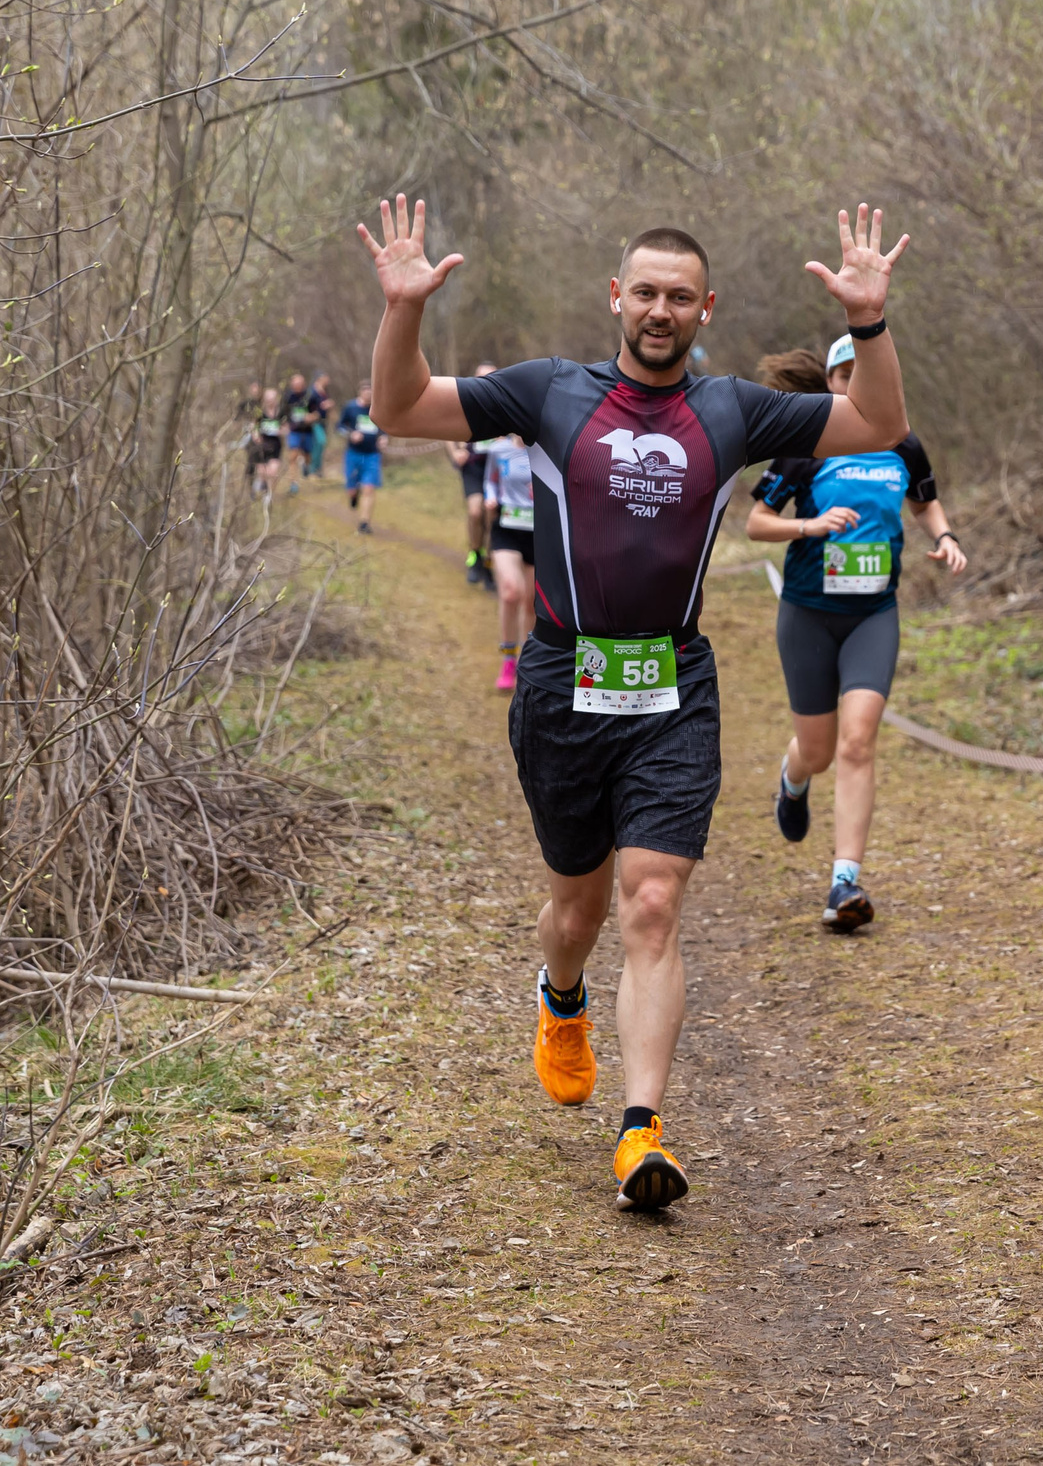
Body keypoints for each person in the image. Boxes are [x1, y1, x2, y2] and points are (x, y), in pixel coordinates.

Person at [358, 194, 914, 1211]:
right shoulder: (545, 395)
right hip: (563, 682)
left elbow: (878, 422)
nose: (660, 310)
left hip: (674, 685)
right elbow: (397, 411)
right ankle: (559, 996)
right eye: (645, 293)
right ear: (616, 298)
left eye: (681, 298)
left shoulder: (734, 412)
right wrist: (403, 309)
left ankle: (642, 1132)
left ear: (708, 310)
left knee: (651, 901)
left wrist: (869, 323)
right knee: (574, 908)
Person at [748, 337, 967, 932]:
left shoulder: (905, 444)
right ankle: (793, 783)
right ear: (830, 382)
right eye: (845, 376)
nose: (856, 385)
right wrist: (810, 525)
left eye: (865, 375)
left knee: (859, 741)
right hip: (808, 614)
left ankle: (844, 880)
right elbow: (755, 522)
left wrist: (943, 537)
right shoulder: (806, 445)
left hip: (874, 614)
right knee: (817, 751)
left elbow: (926, 502)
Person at [483, 434, 536, 690]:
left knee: (532, 603)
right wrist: (490, 498)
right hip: (507, 528)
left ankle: (527, 662)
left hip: (541, 534)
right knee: (511, 592)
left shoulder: (549, 449)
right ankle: (508, 659)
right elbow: (490, 482)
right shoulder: (499, 450)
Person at [446, 363, 500, 585]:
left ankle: (489, 563)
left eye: (490, 377)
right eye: (481, 377)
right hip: (474, 468)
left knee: (492, 518)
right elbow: (447, 432)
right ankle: (474, 556)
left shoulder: (505, 404)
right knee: (476, 513)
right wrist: (456, 452)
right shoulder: (465, 403)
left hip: (497, 470)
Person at [339, 379, 384, 532]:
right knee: (352, 488)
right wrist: (351, 434)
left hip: (372, 455)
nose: (369, 395)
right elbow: (339, 426)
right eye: (366, 392)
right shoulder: (351, 407)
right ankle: (353, 495)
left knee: (369, 488)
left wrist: (383, 437)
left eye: (371, 393)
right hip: (354, 453)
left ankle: (364, 523)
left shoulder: (378, 409)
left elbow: (385, 426)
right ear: (360, 393)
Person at [245, 382, 284, 498]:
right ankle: (261, 486)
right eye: (268, 399)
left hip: (275, 444)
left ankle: (268, 494)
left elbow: (287, 426)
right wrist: (256, 435)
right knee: (262, 472)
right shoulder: (260, 412)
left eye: (272, 398)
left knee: (272, 472)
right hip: (261, 445)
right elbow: (253, 426)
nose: (270, 401)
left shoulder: (280, 412)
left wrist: (281, 431)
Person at [282, 372, 317, 481]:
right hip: (294, 430)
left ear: (303, 384)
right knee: (293, 455)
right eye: (295, 383)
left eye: (299, 383)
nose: (297, 386)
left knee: (307, 455)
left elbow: (317, 413)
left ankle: (306, 466)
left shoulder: (310, 396)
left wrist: (311, 417)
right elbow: (284, 412)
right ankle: (293, 481)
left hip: (307, 430)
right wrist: (285, 424)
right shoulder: (288, 396)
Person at [306, 372, 334, 477]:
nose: (328, 380)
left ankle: (318, 469)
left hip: (323, 421)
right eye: (326, 378)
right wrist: (313, 413)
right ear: (320, 378)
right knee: (320, 442)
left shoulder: (324, 391)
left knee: (320, 445)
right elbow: (307, 405)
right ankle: (312, 469)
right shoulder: (312, 391)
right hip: (315, 422)